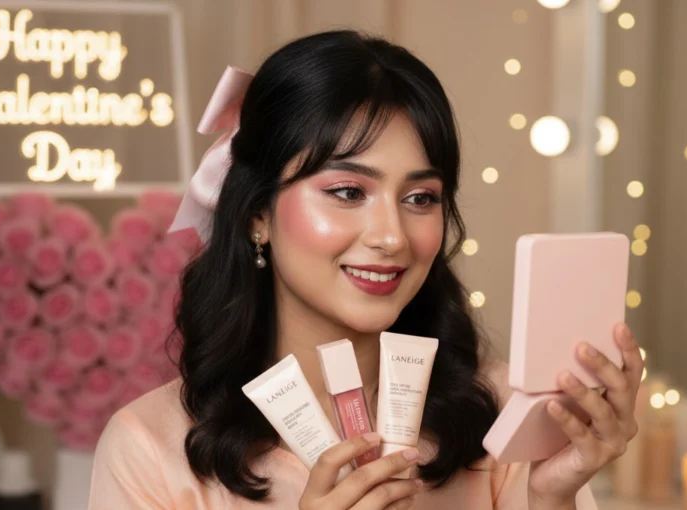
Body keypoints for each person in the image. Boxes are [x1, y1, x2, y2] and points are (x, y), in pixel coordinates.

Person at [88, 30, 643, 509]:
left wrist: (551, 496)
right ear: (258, 213)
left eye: (421, 198)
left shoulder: (501, 414)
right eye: (349, 191)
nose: (391, 236)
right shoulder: (151, 446)